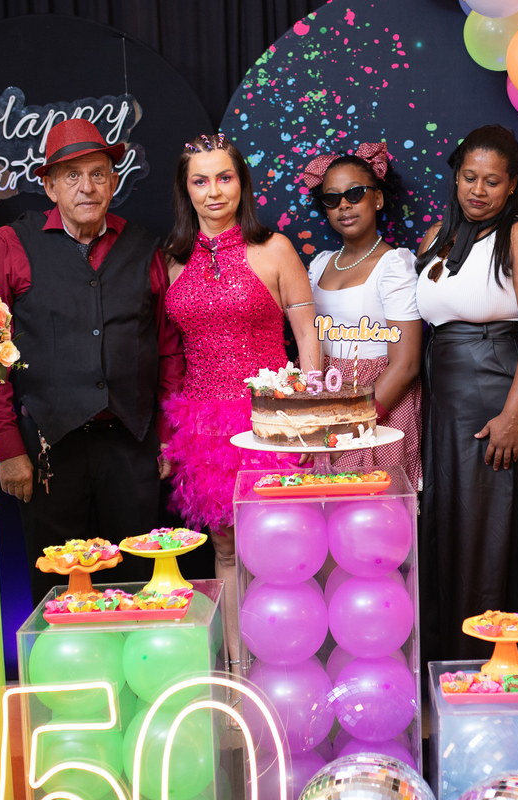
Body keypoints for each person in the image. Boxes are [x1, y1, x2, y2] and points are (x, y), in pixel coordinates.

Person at [0, 118, 185, 605]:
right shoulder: (10, 244)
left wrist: (166, 435)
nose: (86, 187)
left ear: (113, 182)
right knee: (57, 587)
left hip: (131, 444)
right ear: (49, 186)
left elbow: (168, 348)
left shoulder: (145, 246)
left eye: (97, 173)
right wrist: (8, 448)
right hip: (48, 450)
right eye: (71, 175)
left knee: (138, 580)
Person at [415, 124, 518, 663]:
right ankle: (455, 661)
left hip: (502, 399)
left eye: (492, 181)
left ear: (512, 185)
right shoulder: (435, 238)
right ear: (455, 177)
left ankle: (511, 665)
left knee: (494, 534)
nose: (478, 190)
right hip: (448, 405)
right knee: (458, 530)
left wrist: (512, 416)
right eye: (470, 177)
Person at [161, 133, 321, 670]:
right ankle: (239, 668)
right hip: (203, 429)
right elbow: (169, 353)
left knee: (278, 549)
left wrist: (309, 420)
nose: (214, 192)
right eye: (200, 181)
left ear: (242, 183)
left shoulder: (274, 249)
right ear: (186, 191)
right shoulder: (172, 261)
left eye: (224, 178)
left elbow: (308, 337)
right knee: (225, 550)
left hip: (270, 424)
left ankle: (289, 664)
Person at [298, 142, 422, 487]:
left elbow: (407, 364)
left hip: (377, 400)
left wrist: (352, 427)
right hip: (323, 400)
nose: (344, 205)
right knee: (319, 504)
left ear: (377, 199)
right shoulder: (320, 264)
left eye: (355, 194)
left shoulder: (394, 265)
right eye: (332, 198)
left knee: (371, 506)